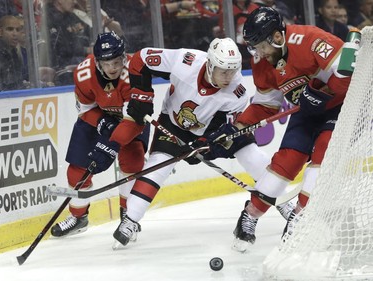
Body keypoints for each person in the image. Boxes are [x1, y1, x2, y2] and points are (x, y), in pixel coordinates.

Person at [112, 37, 294, 247]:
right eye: (223, 70)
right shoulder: (184, 61)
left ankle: (282, 201)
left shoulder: (237, 93)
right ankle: (130, 219)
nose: (229, 77)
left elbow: (223, 131)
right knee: (156, 168)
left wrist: (204, 145)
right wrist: (140, 97)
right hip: (173, 123)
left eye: (233, 71)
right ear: (210, 64)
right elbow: (140, 59)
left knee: (251, 155)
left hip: (213, 131)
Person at [221, 7, 351, 252]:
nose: (257, 53)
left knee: (323, 153)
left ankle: (300, 217)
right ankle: (250, 215)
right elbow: (265, 105)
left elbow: (348, 70)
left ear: (278, 37)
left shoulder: (311, 39)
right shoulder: (263, 62)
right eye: (253, 47)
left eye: (260, 46)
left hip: (339, 108)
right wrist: (237, 127)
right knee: (286, 162)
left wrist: (325, 92)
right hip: (306, 112)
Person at [50, 31, 150, 237]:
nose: (113, 68)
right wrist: (101, 121)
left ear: (124, 57)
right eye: (107, 63)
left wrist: (111, 143)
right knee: (77, 170)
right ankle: (78, 217)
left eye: (117, 61)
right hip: (97, 117)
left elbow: (134, 119)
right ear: (97, 63)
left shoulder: (135, 73)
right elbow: (86, 109)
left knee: (132, 162)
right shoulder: (83, 73)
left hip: (131, 120)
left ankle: (127, 216)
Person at [0, 15, 27, 91]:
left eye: (18, 30)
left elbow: (17, 82)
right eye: (10, 29)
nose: (15, 34)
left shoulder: (14, 52)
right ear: (0, 32)